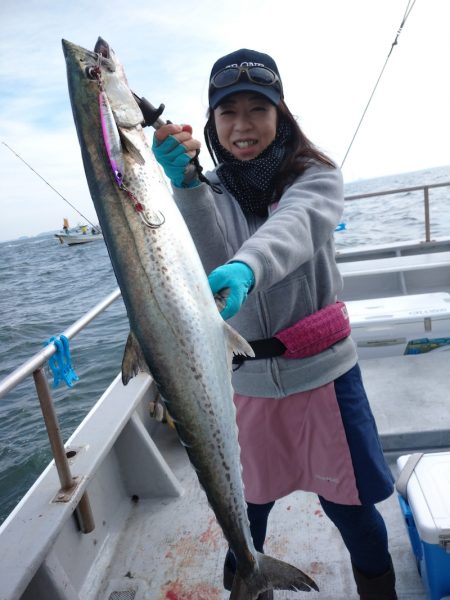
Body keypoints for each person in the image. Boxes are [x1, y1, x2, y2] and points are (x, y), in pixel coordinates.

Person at [152, 48, 397, 600]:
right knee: (244, 528)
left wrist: (247, 265)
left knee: (357, 520)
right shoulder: (206, 189)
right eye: (227, 112)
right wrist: (187, 187)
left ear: (280, 114)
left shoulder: (315, 176)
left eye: (257, 109)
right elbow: (211, 262)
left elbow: (296, 225)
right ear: (210, 122)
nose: (242, 126)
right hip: (244, 389)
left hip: (327, 380)